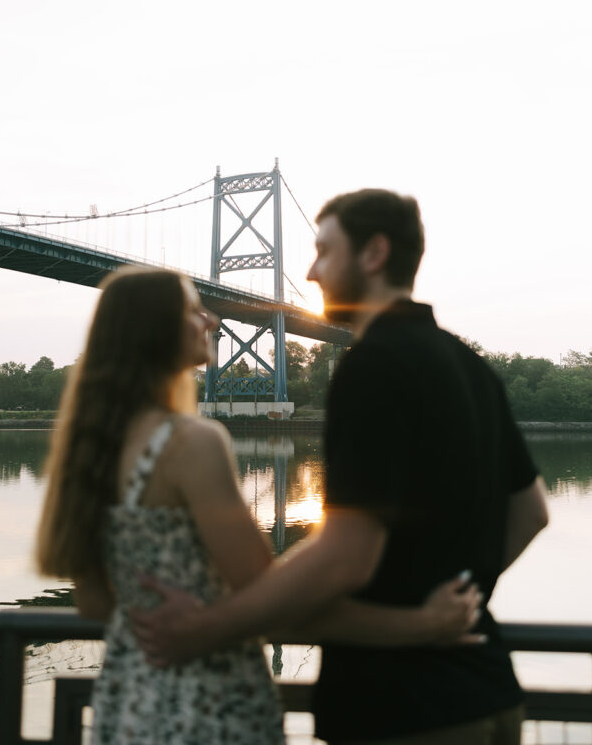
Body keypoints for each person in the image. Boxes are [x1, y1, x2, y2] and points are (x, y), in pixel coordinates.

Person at [132, 191, 549, 745]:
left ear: (374, 253)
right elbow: (531, 512)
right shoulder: (469, 364)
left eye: (324, 251)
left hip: (399, 710)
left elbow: (346, 557)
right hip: (490, 694)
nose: (309, 271)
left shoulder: (372, 365)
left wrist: (206, 626)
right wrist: (458, 596)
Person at [35, 264, 481, 745]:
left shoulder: (89, 450)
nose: (211, 320)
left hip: (127, 705)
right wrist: (421, 626)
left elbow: (98, 604)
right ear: (156, 330)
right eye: (193, 310)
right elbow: (271, 599)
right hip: (209, 706)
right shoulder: (191, 442)